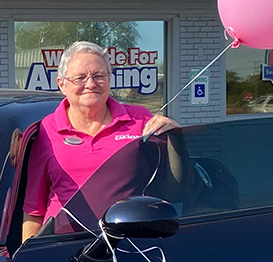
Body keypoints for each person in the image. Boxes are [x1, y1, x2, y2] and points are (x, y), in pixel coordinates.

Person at [21, 41, 180, 242]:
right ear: (62, 84)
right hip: (64, 247)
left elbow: (173, 183)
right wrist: (29, 257)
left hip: (130, 242)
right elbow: (34, 208)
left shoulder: (140, 120)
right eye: (80, 78)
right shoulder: (47, 129)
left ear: (109, 80)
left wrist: (173, 134)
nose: (91, 84)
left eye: (98, 76)